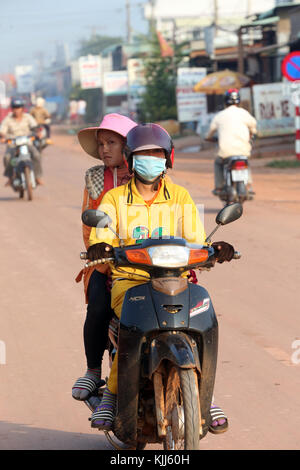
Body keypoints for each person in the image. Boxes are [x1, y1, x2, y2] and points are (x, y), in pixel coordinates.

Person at [86, 123, 234, 433]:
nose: (150, 159)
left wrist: (214, 251)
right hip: (130, 280)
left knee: (204, 316)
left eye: (156, 154)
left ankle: (205, 394)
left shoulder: (180, 197)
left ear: (167, 159)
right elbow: (101, 234)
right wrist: (101, 245)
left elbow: (196, 240)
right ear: (130, 159)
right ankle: (112, 395)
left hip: (176, 279)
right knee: (132, 327)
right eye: (143, 154)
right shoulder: (113, 199)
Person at [72, 113, 137, 402]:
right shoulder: (96, 178)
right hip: (106, 263)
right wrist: (102, 253)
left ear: (129, 145)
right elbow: (90, 227)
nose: (105, 150)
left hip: (146, 260)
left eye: (112, 142)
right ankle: (92, 370)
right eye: (101, 144)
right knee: (98, 307)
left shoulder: (147, 174)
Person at [206, 88, 257, 195]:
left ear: (225, 101)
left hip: (226, 152)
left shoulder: (219, 116)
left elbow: (210, 132)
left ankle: (219, 186)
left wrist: (209, 137)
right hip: (243, 151)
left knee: (218, 163)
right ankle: (248, 185)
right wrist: (252, 133)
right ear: (239, 100)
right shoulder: (244, 113)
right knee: (245, 162)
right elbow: (253, 126)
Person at [0, 97, 44, 185]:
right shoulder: (8, 119)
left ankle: (37, 177)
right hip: (13, 144)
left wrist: (38, 133)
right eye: (15, 108)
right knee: (7, 158)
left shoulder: (28, 117)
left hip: (27, 143)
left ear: (22, 108)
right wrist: (3, 137)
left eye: (19, 108)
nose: (17, 110)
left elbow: (34, 127)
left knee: (36, 155)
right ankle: (10, 177)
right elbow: (2, 131)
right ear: (12, 109)